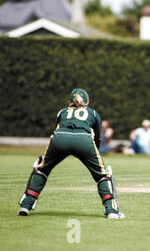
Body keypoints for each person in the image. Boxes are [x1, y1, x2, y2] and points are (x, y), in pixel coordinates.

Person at [17, 88, 125, 219]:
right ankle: (111, 210)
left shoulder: (62, 111)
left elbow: (58, 127)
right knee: (102, 175)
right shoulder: (93, 113)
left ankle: (26, 205)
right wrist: (90, 157)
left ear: (69, 101)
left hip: (59, 139)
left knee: (42, 169)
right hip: (84, 140)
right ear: (88, 101)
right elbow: (97, 140)